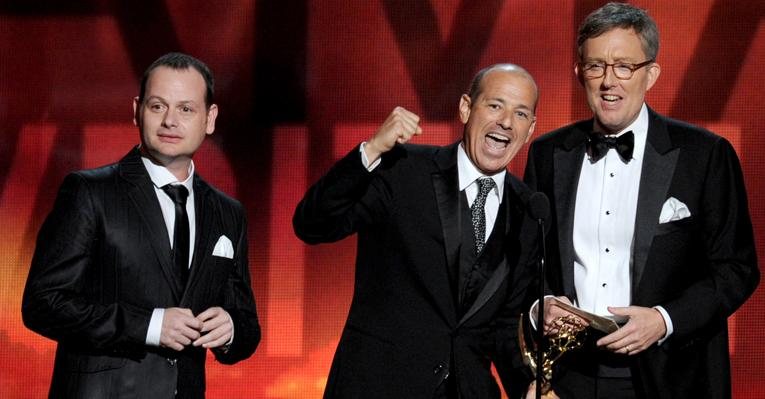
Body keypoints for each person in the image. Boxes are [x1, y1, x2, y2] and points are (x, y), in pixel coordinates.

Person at [523, 3, 759, 399]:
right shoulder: (548, 153)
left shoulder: (704, 154)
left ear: (651, 74)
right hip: (570, 375)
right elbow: (529, 260)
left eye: (623, 67)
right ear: (580, 73)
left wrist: (663, 320)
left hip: (668, 375)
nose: (608, 82)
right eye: (596, 66)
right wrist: (541, 305)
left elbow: (737, 269)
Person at [294, 64, 542, 398]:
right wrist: (371, 151)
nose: (507, 122)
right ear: (466, 108)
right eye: (495, 105)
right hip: (378, 386)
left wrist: (531, 386)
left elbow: (504, 325)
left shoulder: (529, 209)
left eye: (521, 113)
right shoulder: (404, 168)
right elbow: (312, 224)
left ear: (530, 130)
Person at [22, 52, 260, 399]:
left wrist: (231, 328)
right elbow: (43, 304)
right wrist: (149, 325)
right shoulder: (90, 192)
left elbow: (247, 326)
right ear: (137, 110)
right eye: (157, 106)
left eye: (186, 109)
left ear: (210, 118)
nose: (170, 121)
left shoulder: (227, 212)